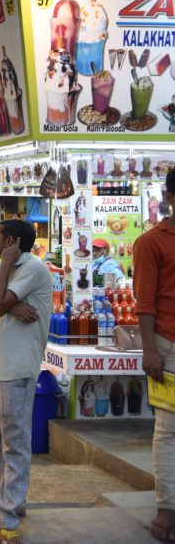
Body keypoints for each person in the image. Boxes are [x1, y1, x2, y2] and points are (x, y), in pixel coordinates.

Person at [0, 220, 52, 544]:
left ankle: (8, 517)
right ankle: (10, 499)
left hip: (16, 370)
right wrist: (8, 303)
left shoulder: (32, 267)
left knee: (15, 444)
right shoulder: (6, 268)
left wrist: (5, 298)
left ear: (11, 242)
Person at [132, 168, 175, 544]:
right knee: (168, 431)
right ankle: (166, 508)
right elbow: (144, 303)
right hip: (167, 346)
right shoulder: (151, 242)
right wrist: (149, 349)